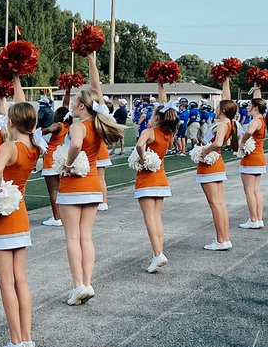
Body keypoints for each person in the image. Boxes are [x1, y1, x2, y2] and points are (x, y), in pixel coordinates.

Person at [57, 50, 124, 305]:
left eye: (74, 102)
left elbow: (74, 146)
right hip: (93, 187)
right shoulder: (98, 125)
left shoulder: (79, 126)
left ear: (81, 107)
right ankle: (88, 282)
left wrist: (68, 164)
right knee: (86, 237)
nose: (71, 106)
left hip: (73, 187)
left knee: (73, 238)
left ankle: (78, 285)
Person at [0, 78, 42, 347]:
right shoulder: (33, 148)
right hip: (21, 215)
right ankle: (27, 339)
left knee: (6, 283)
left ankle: (15, 342)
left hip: (4, 218)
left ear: (13, 123)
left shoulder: (9, 147)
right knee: (22, 280)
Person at [133, 82, 179, 273]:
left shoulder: (149, 131)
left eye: (152, 115)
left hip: (146, 179)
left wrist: (142, 159)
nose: (149, 117)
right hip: (161, 178)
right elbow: (164, 103)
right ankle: (159, 253)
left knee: (149, 218)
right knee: (157, 218)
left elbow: (138, 146)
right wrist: (161, 85)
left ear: (158, 117)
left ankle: (158, 254)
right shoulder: (169, 133)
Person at [196, 77, 238, 251]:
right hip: (217, 165)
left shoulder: (222, 124)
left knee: (215, 204)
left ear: (222, 110)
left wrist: (204, 152)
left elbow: (218, 143)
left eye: (218, 106)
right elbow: (226, 99)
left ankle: (221, 240)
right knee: (219, 203)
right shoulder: (229, 122)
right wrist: (226, 81)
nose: (215, 108)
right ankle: (223, 238)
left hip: (211, 165)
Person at [40, 99, 71, 227]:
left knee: (53, 190)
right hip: (60, 157)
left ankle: (56, 217)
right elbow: (65, 105)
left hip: (51, 159)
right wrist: (68, 90)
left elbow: (52, 128)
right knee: (60, 189)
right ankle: (62, 215)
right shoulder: (67, 125)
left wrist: (39, 132)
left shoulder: (58, 125)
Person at [238, 93, 266, 230]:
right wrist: (256, 88)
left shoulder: (255, 121)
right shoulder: (263, 120)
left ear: (255, 107)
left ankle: (253, 219)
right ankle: (258, 218)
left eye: (249, 105)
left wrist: (242, 142)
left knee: (249, 190)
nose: (247, 107)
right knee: (256, 190)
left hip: (251, 158)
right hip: (259, 157)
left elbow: (249, 132)